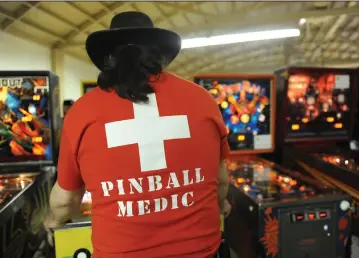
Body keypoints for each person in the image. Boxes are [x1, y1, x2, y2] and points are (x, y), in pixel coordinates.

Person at [44, 11, 231, 258]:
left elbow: (66, 199)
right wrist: (223, 204)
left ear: (109, 58)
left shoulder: (83, 111)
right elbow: (219, 180)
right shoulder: (202, 100)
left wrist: (53, 222)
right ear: (160, 56)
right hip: (201, 251)